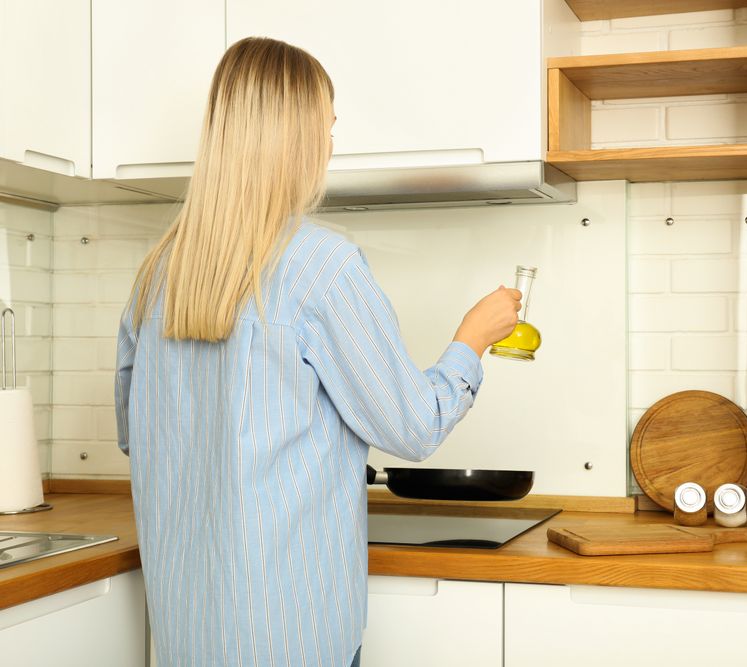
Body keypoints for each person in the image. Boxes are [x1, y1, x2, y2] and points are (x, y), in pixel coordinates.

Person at [114, 37, 520, 667]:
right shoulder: (321, 266)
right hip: (291, 637)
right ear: (297, 140)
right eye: (328, 127)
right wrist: (471, 338)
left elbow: (138, 435)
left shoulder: (156, 273)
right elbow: (413, 427)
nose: (332, 144)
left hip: (186, 635)